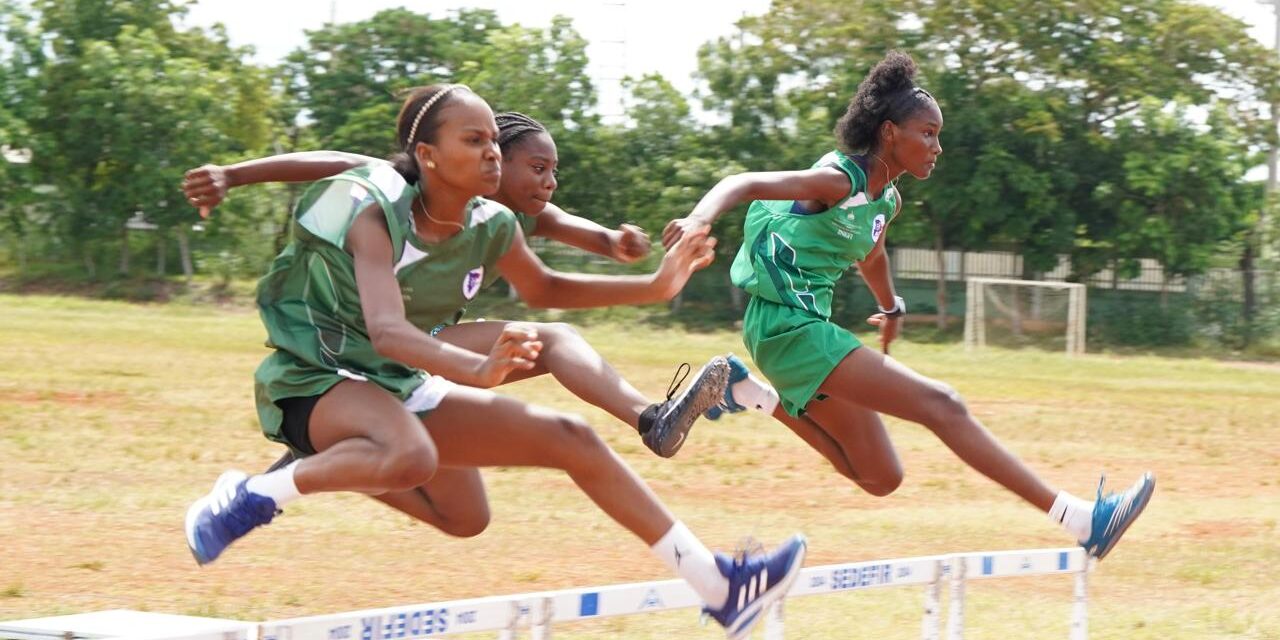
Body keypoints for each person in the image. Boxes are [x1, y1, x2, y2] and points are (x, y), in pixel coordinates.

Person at [183, 84, 805, 639]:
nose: (492, 154)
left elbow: (547, 291)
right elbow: (388, 329)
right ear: (427, 155)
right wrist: (234, 175)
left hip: (394, 378)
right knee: (412, 455)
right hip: (317, 374)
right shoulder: (375, 203)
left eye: (494, 144)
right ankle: (252, 494)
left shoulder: (493, 221)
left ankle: (720, 588)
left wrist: (655, 286)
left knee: (498, 491)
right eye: (474, 139)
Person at [663, 52, 1154, 561]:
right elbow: (743, 183)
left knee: (881, 477)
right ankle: (1081, 520)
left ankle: (745, 390)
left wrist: (891, 307)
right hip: (787, 327)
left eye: (939, 136)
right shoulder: (840, 181)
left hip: (800, 331)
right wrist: (698, 218)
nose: (937, 147)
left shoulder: (886, 200)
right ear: (891, 132)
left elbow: (871, 253)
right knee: (943, 405)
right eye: (928, 133)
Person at [184, 112, 718, 459]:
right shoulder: (413, 183)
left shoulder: (527, 214)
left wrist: (623, 243)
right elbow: (333, 162)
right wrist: (233, 174)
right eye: (536, 168)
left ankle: (653, 419)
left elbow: (596, 242)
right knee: (544, 343)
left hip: (429, 339)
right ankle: (306, 453)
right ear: (494, 159)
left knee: (543, 347)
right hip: (368, 339)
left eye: (554, 172)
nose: (548, 183)